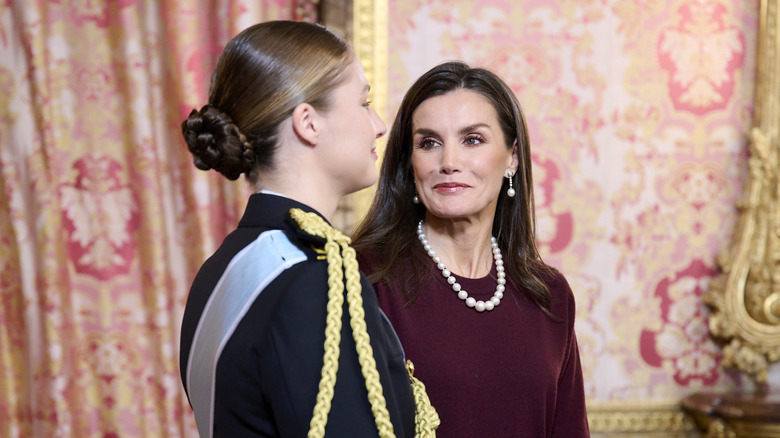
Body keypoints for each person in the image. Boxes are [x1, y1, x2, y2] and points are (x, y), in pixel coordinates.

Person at [178, 21, 437, 438]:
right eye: (364, 102)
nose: (379, 124)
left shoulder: (221, 268)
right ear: (308, 122)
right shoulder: (312, 279)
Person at [353, 61, 590, 437]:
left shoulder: (550, 295)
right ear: (409, 163)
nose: (449, 163)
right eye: (429, 143)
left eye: (472, 140)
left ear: (512, 157)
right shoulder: (364, 278)